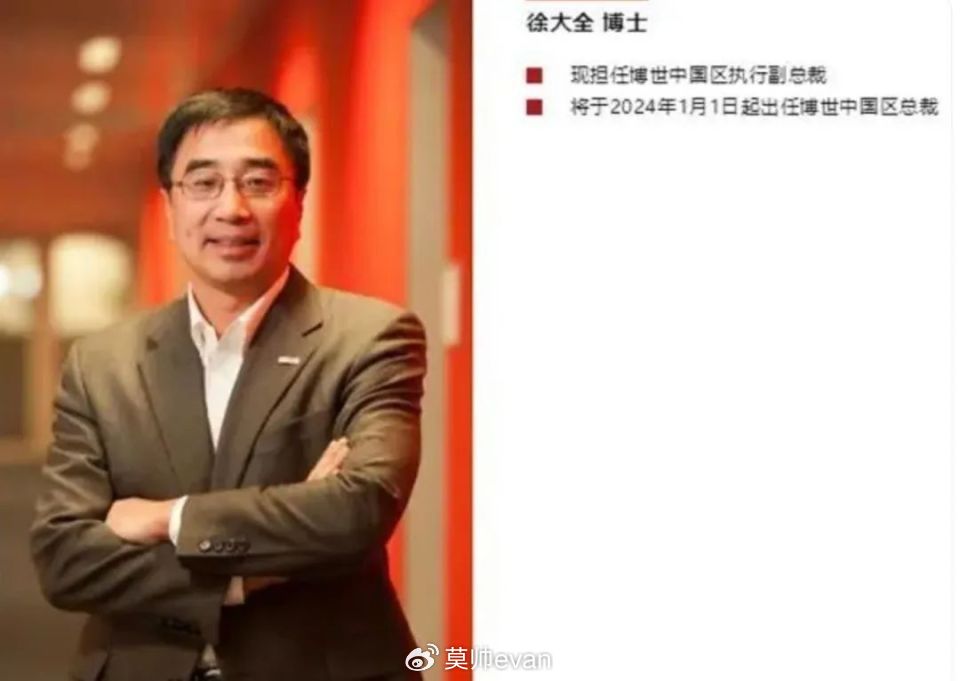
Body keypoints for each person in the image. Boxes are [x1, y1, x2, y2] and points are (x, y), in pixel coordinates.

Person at [29, 88, 426, 681]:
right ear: (170, 207)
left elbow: (356, 512)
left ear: (299, 201)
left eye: (258, 182)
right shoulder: (101, 364)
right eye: (204, 183)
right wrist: (247, 575)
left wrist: (168, 518)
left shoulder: (371, 338)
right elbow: (65, 559)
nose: (231, 208)